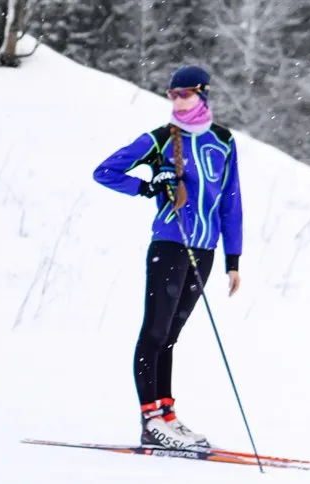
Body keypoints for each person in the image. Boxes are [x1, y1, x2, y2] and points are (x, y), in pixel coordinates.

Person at [92, 65, 243, 450]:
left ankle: (167, 415)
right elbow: (105, 171)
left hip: (205, 251)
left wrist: (233, 259)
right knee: (155, 333)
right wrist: (147, 186)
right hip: (170, 246)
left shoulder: (223, 141)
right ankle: (150, 420)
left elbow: (231, 202)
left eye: (185, 93)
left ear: (202, 94)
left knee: (171, 337)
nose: (177, 100)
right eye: (172, 94)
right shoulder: (160, 139)